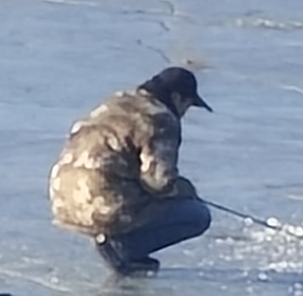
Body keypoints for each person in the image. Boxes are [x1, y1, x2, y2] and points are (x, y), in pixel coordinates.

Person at [49, 66, 215, 275]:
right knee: (196, 214)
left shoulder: (114, 102)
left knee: (117, 183)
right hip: (100, 206)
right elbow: (159, 182)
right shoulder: (160, 118)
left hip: (63, 198)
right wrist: (186, 190)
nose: (184, 113)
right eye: (188, 106)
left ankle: (113, 240)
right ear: (176, 97)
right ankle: (125, 249)